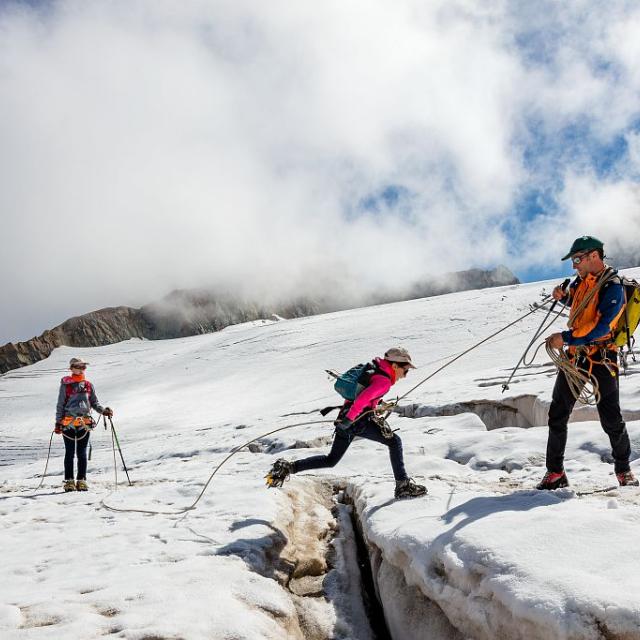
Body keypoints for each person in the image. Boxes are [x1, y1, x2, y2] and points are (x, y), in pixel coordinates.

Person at [537, 235, 638, 490]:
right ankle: (555, 472)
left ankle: (623, 469)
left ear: (594, 256)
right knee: (558, 413)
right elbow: (581, 305)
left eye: (577, 259)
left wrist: (566, 337)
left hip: (602, 358)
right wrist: (564, 297)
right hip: (576, 357)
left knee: (610, 417)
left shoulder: (612, 285)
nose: (574, 266)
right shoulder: (583, 282)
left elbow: (602, 325)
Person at [266, 347, 427, 499]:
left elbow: (365, 397)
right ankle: (403, 486)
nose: (405, 375)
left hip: (347, 416)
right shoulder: (384, 381)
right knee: (394, 441)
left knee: (331, 460)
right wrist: (350, 419)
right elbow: (362, 399)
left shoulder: (376, 371)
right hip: (357, 420)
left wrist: (376, 406)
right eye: (405, 370)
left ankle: (288, 467)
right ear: (394, 365)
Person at [55, 357, 113, 492]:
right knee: (69, 453)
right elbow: (60, 404)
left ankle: (81, 480)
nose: (81, 369)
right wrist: (58, 422)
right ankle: (69, 481)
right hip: (68, 423)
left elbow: (94, 402)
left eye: (83, 367)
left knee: (81, 453)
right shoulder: (65, 385)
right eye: (78, 366)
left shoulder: (88, 385)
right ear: (72, 368)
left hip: (84, 424)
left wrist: (103, 411)